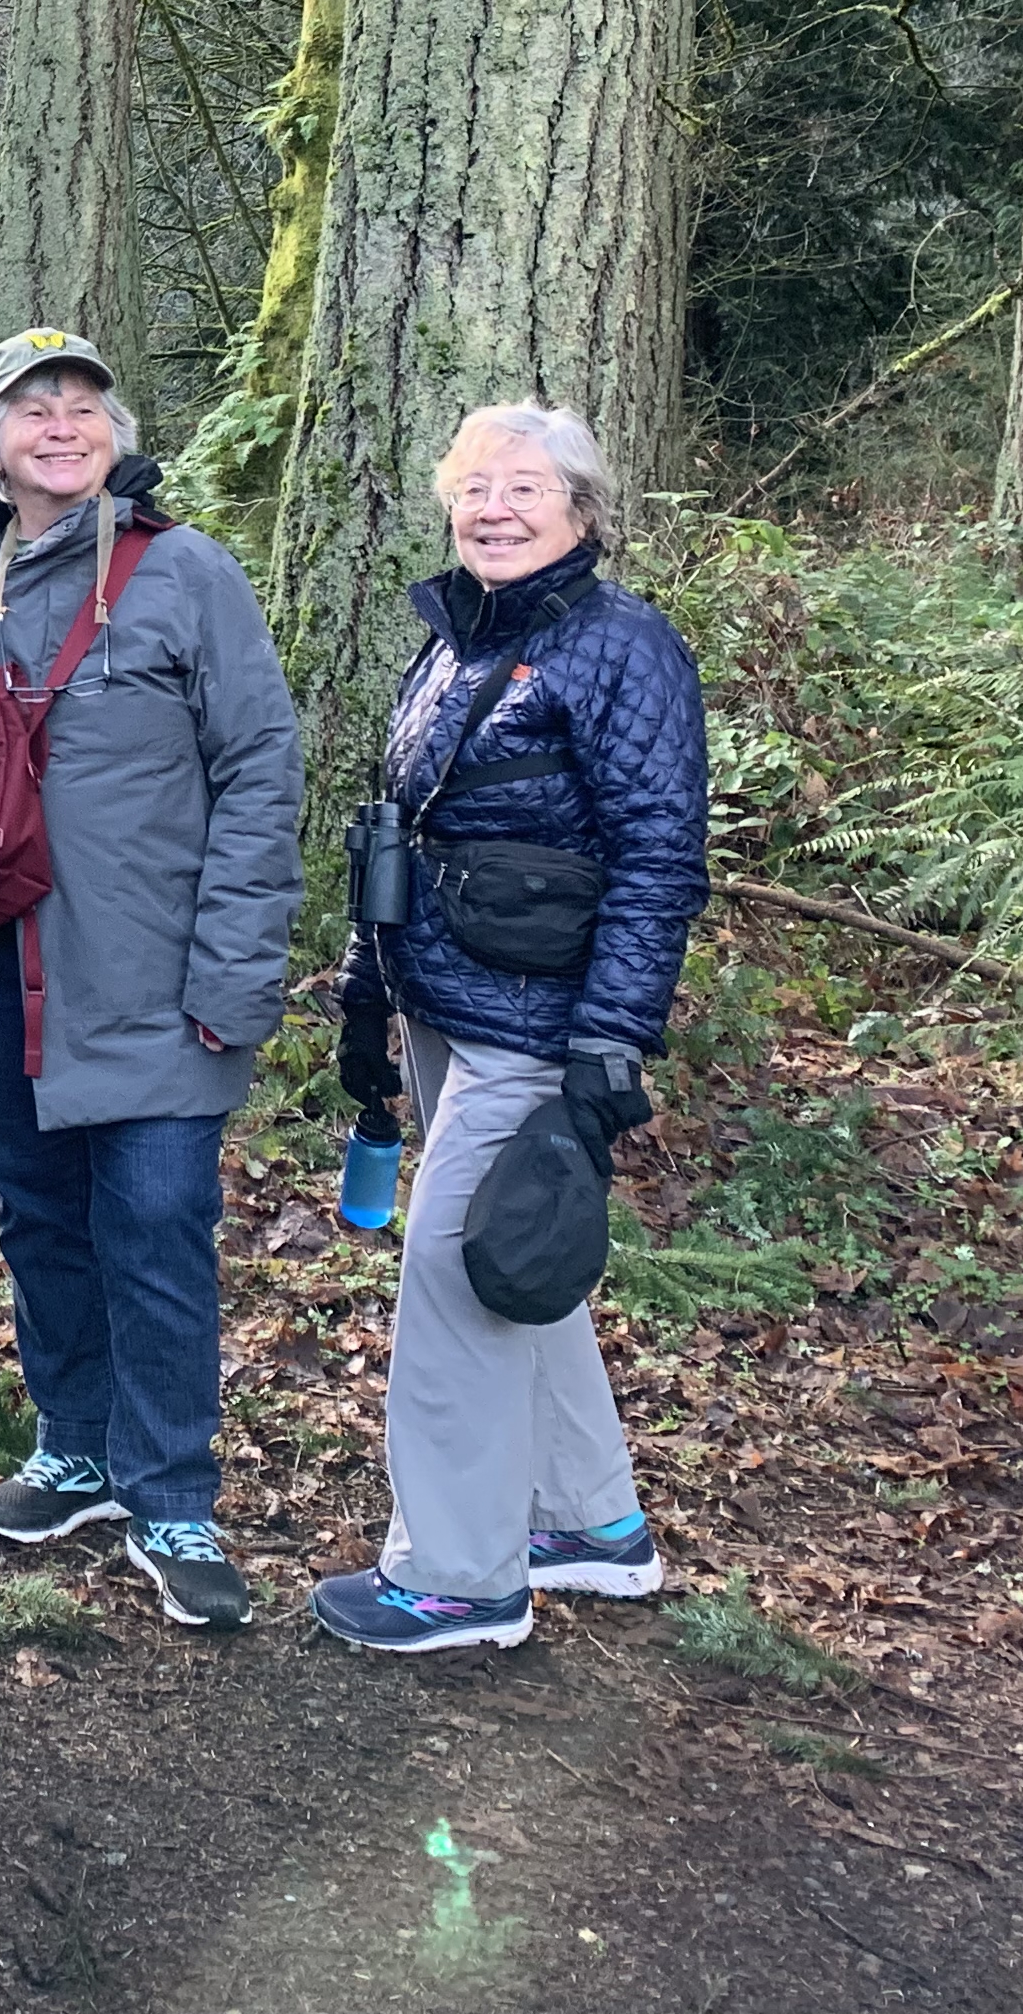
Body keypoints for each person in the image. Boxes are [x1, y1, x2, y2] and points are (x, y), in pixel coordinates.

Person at [0, 328, 301, 1631]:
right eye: (34, 408)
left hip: (157, 985)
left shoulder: (187, 574)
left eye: (84, 403)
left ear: (115, 435)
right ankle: (74, 1448)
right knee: (43, 1226)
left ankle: (172, 1495)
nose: (63, 424)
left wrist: (237, 968)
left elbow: (260, 770)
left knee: (158, 1234)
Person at [311, 400, 709, 1653]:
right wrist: (371, 993)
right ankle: (588, 1523)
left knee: (453, 1281)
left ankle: (460, 1580)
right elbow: (412, 835)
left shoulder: (623, 645)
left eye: (525, 488)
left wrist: (610, 1039)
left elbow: (659, 856)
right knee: (512, 1256)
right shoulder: (458, 640)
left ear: (580, 511)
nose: (494, 509)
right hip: (451, 1001)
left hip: (541, 1024)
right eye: (476, 486)